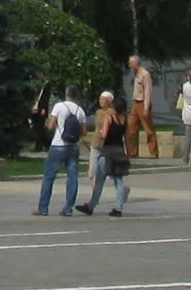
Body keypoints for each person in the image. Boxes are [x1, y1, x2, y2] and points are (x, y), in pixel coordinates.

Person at [37, 86, 88, 214]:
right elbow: (84, 132)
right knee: (72, 177)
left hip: (58, 145)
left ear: (66, 94)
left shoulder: (59, 106)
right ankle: (68, 208)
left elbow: (51, 126)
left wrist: (48, 123)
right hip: (73, 147)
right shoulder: (80, 110)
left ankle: (43, 208)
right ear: (76, 96)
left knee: (49, 176)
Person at [78, 91, 130, 216]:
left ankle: (91, 206)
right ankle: (118, 208)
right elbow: (127, 138)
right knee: (118, 180)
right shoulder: (124, 120)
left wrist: (101, 136)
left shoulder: (109, 117)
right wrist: (127, 153)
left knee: (100, 180)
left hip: (107, 152)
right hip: (119, 150)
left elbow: (104, 134)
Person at [126, 55, 160, 160]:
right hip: (136, 103)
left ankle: (154, 152)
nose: (129, 65)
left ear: (137, 63)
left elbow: (147, 91)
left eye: (131, 63)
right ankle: (132, 152)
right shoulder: (136, 74)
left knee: (148, 129)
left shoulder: (145, 74)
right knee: (131, 128)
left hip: (143, 103)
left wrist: (146, 107)